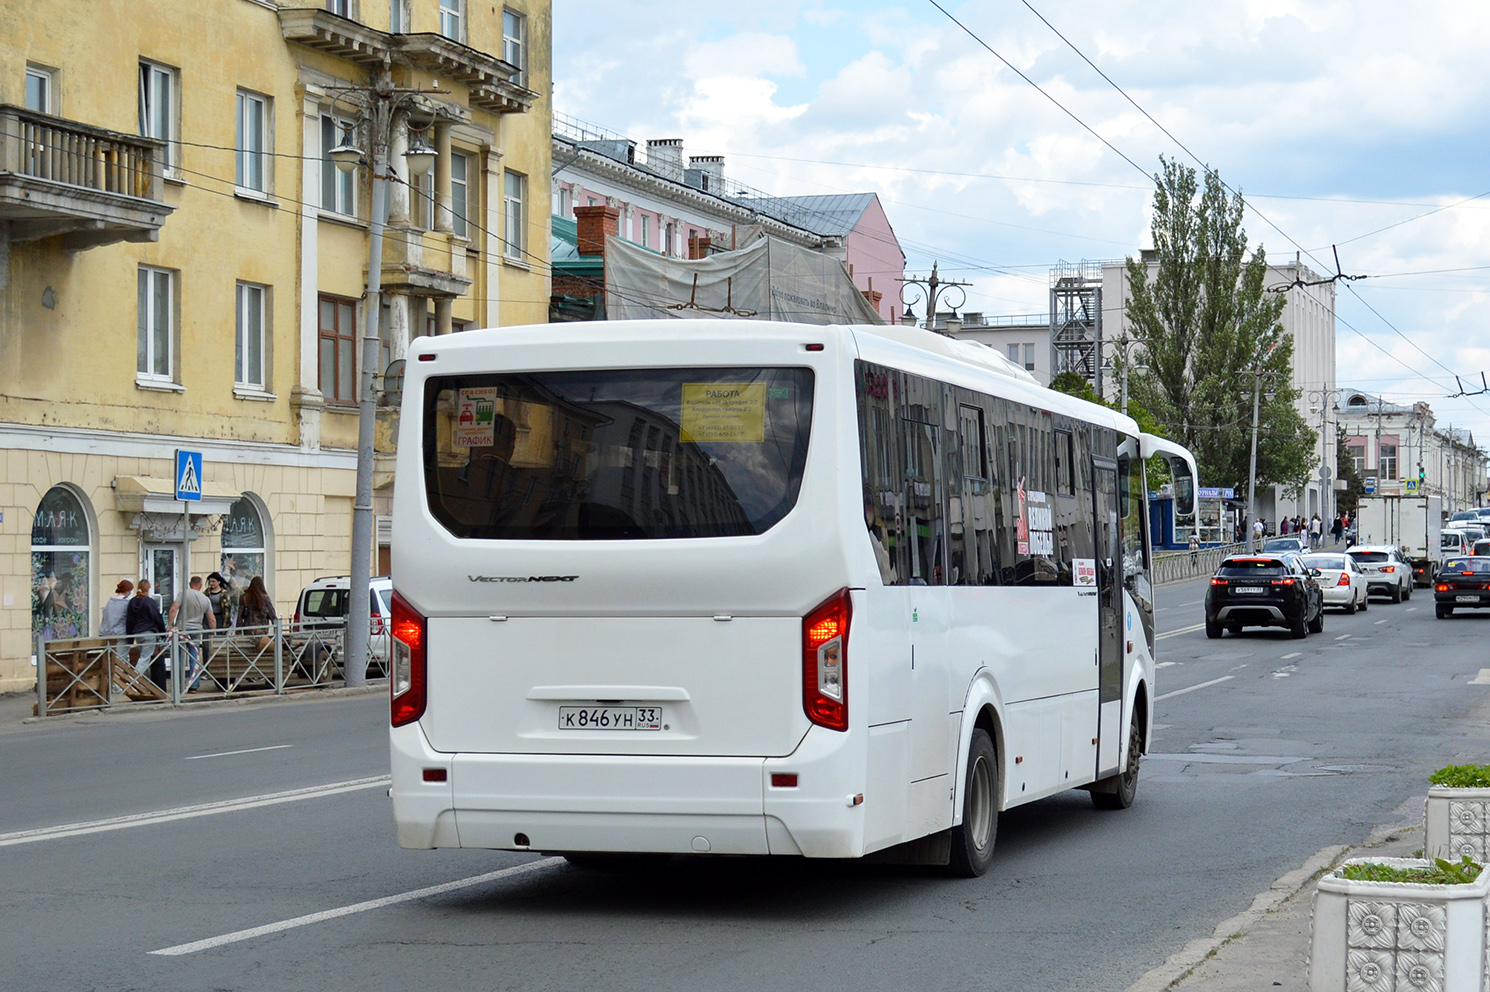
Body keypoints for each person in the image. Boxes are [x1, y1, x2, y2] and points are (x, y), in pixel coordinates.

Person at [169, 576, 217, 690]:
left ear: (190, 584)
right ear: (200, 586)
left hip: (181, 629)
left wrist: (169, 625)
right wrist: (214, 633)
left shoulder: (183, 594)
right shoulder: (205, 599)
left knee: (179, 655)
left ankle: (178, 685)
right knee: (194, 656)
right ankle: (193, 685)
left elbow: (174, 609)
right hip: (196, 629)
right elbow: (211, 618)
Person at [125, 579, 168, 690]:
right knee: (145, 659)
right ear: (148, 588)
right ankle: (132, 682)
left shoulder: (132, 602)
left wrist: (130, 638)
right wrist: (163, 633)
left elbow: (129, 620)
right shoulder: (149, 601)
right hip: (149, 633)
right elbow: (157, 618)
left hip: (137, 634)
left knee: (144, 659)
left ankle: (144, 684)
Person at [236, 575, 277, 651]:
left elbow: (239, 616)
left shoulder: (244, 598)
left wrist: (238, 632)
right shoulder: (265, 599)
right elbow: (273, 616)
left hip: (248, 631)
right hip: (262, 632)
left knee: (250, 652)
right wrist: (277, 631)